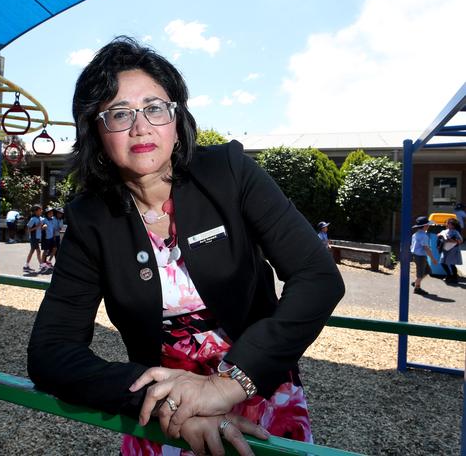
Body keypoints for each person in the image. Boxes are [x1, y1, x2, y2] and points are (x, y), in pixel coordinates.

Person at [27, 37, 344, 456]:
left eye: (155, 108)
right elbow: (51, 350)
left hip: (257, 386)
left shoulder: (229, 172)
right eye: (119, 113)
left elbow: (318, 277)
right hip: (165, 412)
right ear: (96, 132)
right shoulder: (90, 218)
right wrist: (165, 400)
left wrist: (228, 385)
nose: (141, 127)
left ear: (177, 120)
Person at [410, 216, 438, 295]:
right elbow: (426, 248)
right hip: (420, 256)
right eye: (428, 225)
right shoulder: (424, 236)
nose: (428, 226)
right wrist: (432, 258)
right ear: (425, 226)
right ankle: (417, 288)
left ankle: (416, 282)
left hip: (416, 255)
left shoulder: (415, 234)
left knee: (427, 270)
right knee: (420, 273)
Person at [437, 218, 463, 284]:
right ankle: (449, 275)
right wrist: (440, 235)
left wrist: (451, 240)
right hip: (445, 249)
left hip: (453, 249)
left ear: (453, 225)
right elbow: (438, 235)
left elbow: (460, 241)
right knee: (442, 262)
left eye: (448, 223)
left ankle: (454, 277)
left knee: (452, 264)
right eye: (447, 223)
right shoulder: (444, 231)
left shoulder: (455, 232)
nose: (447, 224)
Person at [24, 204, 43, 272]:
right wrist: (37, 226)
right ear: (36, 211)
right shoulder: (33, 219)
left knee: (33, 251)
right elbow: (28, 229)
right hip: (33, 238)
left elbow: (42, 224)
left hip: (36, 238)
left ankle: (26, 266)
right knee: (37, 251)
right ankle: (41, 265)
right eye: (40, 210)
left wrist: (42, 226)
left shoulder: (39, 218)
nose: (41, 211)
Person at [39, 207, 56, 274]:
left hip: (52, 238)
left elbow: (53, 229)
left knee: (55, 248)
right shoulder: (44, 219)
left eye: (52, 212)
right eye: (49, 212)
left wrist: (54, 236)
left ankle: (48, 262)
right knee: (45, 251)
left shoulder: (52, 220)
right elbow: (41, 227)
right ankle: (43, 264)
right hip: (46, 238)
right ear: (47, 213)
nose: (51, 213)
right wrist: (43, 227)